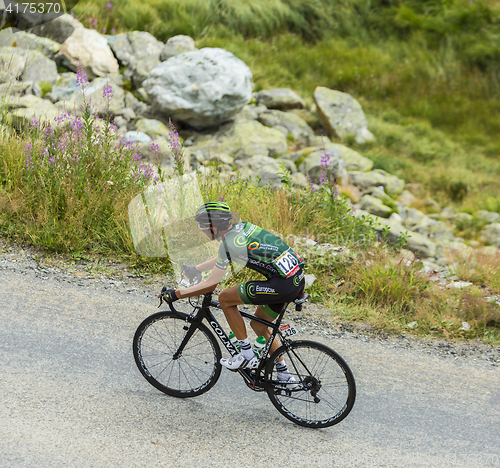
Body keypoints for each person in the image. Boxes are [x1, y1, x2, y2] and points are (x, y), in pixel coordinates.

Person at [160, 201, 305, 381]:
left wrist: (176, 294)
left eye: (203, 226)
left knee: (225, 298)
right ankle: (284, 374)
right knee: (259, 324)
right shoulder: (242, 228)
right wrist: (197, 268)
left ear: (214, 226)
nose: (202, 230)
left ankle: (246, 356)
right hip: (295, 280)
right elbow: (225, 254)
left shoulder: (229, 243)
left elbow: (211, 284)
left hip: (281, 284)